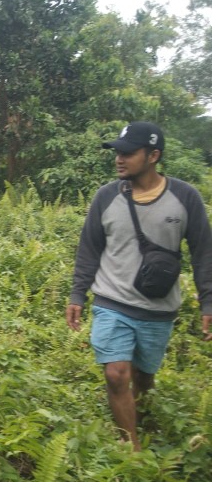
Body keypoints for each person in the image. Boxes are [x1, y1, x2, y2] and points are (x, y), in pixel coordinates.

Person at [66, 121, 212, 451]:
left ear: (153, 156)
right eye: (117, 152)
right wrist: (78, 293)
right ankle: (131, 449)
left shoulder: (185, 197)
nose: (119, 159)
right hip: (111, 300)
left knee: (144, 376)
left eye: (128, 153)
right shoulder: (106, 197)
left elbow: (204, 251)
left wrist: (208, 301)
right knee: (117, 373)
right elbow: (89, 248)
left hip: (159, 307)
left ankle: (141, 416)